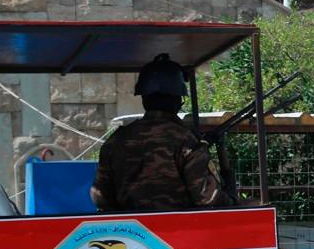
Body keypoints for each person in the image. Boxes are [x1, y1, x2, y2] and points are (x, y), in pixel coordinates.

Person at [91, 54, 234, 212]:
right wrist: (234, 202)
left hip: (130, 232)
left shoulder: (116, 141)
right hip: (179, 231)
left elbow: (101, 198)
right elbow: (208, 198)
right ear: (177, 101)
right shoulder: (185, 140)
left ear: (144, 99)